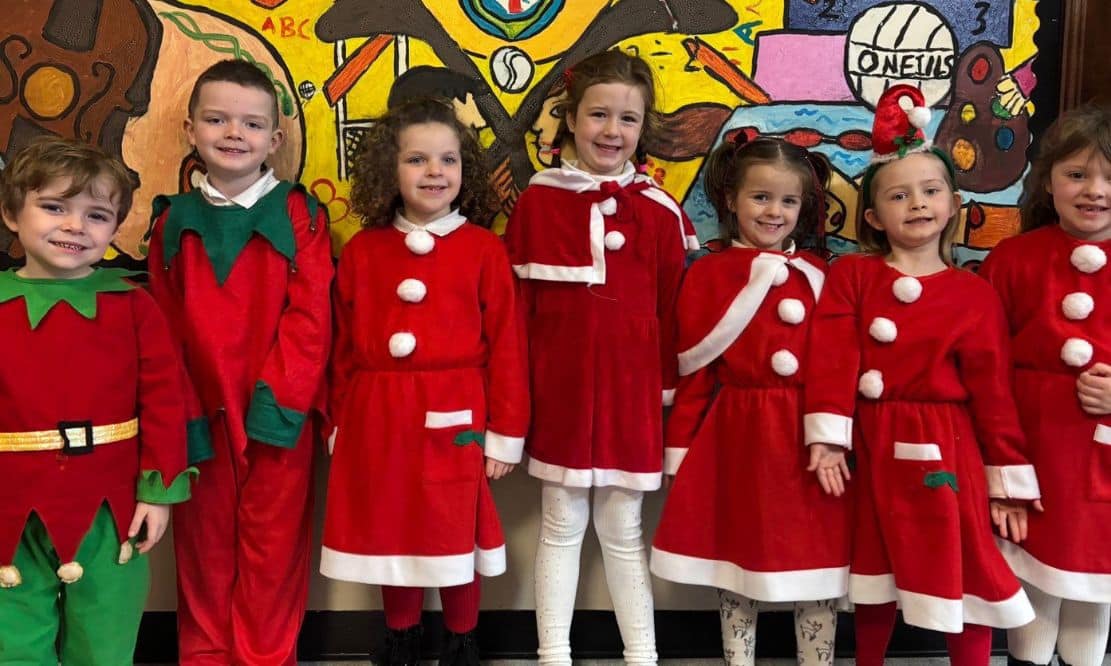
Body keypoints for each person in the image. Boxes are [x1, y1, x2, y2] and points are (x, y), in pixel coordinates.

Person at [803, 84, 1041, 665]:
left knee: (967, 568)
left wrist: (1006, 484)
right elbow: (832, 357)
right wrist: (827, 439)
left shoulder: (974, 295)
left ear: (953, 203)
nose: (917, 203)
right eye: (899, 194)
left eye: (931, 191)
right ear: (873, 216)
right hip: (872, 443)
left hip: (950, 448)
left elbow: (994, 395)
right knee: (875, 566)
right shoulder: (852, 277)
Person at [503, 49, 698, 666]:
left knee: (624, 531)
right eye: (598, 115)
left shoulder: (660, 212)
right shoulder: (537, 204)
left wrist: (665, 398)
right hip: (559, 396)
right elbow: (517, 314)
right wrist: (517, 404)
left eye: (628, 118)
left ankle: (642, 656)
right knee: (559, 527)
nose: (612, 131)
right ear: (570, 118)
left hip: (631, 399)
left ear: (643, 128)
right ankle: (552, 655)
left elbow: (672, 314)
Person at [320, 97, 528, 666]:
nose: (434, 172)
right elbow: (341, 348)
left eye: (448, 160)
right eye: (417, 159)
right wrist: (338, 421)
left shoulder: (484, 250)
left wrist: (505, 433)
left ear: (465, 170)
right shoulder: (362, 251)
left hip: (456, 413)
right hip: (375, 415)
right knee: (392, 526)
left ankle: (463, 639)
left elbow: (509, 347)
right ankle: (400, 637)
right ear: (389, 170)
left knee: (454, 528)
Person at [147, 59, 333, 665]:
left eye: (251, 124)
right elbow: (162, 330)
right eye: (217, 119)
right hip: (199, 413)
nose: (234, 133)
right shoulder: (173, 220)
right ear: (191, 129)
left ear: (274, 140)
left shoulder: (299, 213)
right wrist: (181, 412)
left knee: (272, 552)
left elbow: (311, 319)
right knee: (203, 551)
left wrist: (280, 407)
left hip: (278, 415)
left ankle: (265, 658)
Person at [650, 135, 848, 665]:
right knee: (733, 557)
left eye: (788, 201)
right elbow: (694, 373)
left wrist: (834, 436)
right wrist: (679, 453)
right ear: (731, 199)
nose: (774, 211)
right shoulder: (708, 276)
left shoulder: (820, 276)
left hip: (807, 440)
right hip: (736, 438)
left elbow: (836, 367)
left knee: (818, 559)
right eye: (761, 197)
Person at [0, 136, 194, 663]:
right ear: (12, 214)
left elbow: (164, 401)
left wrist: (158, 493)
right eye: (54, 207)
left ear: (114, 229)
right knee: (13, 641)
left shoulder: (133, 305)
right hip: (9, 504)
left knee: (104, 638)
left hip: (111, 506)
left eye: (97, 215)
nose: (75, 226)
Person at [979, 104, 1111, 666]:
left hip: (1103, 461)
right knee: (1033, 579)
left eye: (1108, 177)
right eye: (1077, 174)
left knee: (1095, 584)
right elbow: (984, 367)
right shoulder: (1013, 259)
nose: (1094, 190)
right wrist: (1001, 466)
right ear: (1049, 181)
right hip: (1033, 452)